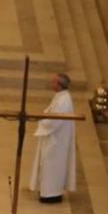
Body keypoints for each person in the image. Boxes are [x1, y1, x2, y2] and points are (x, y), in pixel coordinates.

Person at [30, 74, 77, 203]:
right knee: (48, 165)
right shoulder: (61, 96)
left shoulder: (64, 100)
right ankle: (47, 191)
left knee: (52, 166)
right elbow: (50, 112)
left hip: (57, 140)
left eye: (53, 82)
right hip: (55, 138)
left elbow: (54, 121)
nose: (51, 84)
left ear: (59, 84)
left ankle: (52, 194)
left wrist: (42, 120)